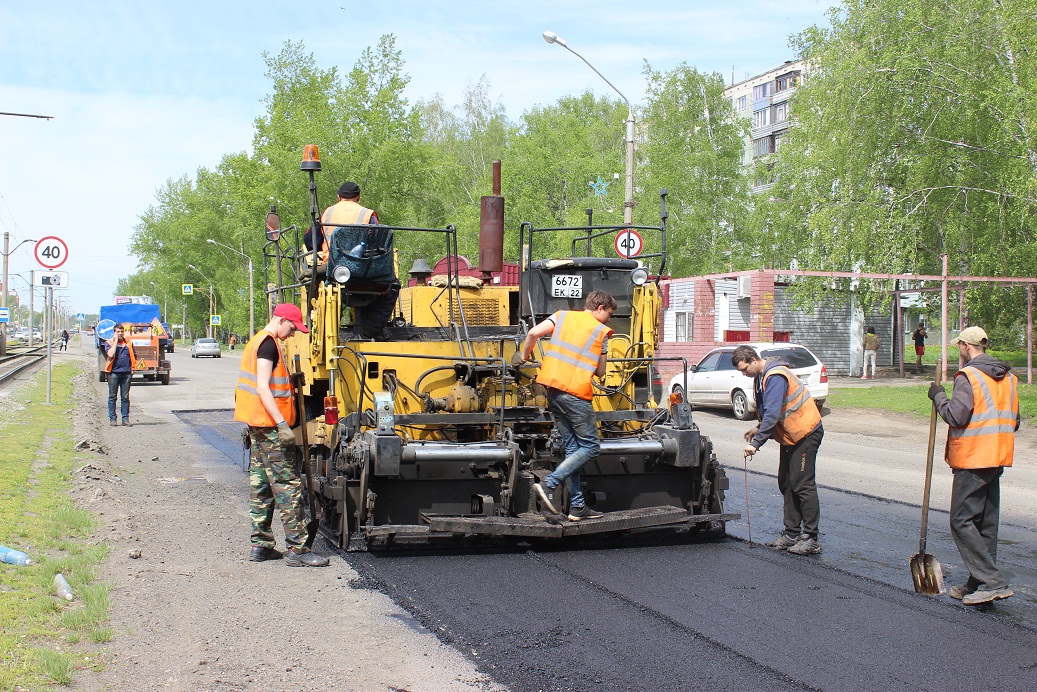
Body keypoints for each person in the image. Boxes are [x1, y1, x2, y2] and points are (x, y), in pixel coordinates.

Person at [928, 326, 1018, 605]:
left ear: (967, 347)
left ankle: (992, 581)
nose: (959, 351)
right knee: (985, 525)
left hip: (974, 458)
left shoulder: (969, 376)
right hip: (997, 457)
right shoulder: (1008, 378)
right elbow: (1014, 420)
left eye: (959, 347)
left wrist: (938, 396)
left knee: (961, 521)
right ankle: (978, 582)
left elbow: (956, 416)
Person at [234, 303, 329, 567]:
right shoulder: (267, 344)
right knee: (288, 486)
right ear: (281, 320)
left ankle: (261, 545)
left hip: (258, 426)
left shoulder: (257, 341)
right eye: (292, 328)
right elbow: (264, 388)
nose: (292, 334)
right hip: (270, 427)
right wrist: (282, 425)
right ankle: (298, 549)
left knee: (261, 485)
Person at [514, 290, 616, 522]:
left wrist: (525, 355)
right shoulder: (601, 332)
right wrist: (602, 350)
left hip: (553, 391)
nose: (609, 319)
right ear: (600, 308)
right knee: (590, 447)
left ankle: (577, 507)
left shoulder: (561, 316)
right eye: (609, 313)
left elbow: (532, 333)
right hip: (575, 395)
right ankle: (549, 484)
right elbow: (600, 372)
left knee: (572, 449)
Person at [735, 344, 824, 555]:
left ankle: (811, 538)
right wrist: (757, 428)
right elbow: (770, 412)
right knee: (786, 483)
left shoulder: (775, 376)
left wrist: (755, 444)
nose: (744, 374)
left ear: (753, 360)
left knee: (802, 485)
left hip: (806, 433)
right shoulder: (761, 377)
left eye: (744, 369)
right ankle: (791, 534)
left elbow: (773, 414)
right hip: (791, 436)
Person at [319, 181, 379, 264]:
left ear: (338, 197)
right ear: (358, 196)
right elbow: (376, 240)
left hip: (331, 262)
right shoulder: (367, 214)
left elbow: (311, 240)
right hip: (360, 263)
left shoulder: (327, 212)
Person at [104, 324, 136, 427]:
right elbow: (110, 354)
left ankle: (125, 419)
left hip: (126, 373)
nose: (120, 333)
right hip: (113, 373)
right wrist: (116, 341)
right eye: (118, 332)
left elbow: (134, 356)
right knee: (112, 397)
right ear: (114, 332)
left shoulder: (129, 343)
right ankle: (113, 419)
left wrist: (132, 369)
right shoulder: (109, 343)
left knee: (125, 397)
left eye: (122, 332)